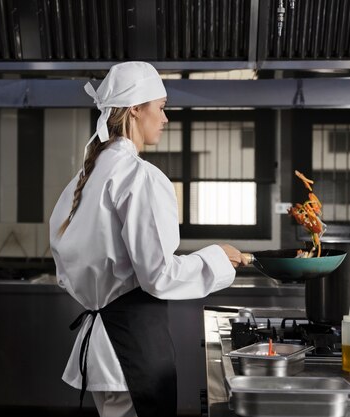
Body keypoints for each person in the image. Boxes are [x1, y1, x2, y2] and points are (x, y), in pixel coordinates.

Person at [49, 61, 251, 417]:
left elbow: (67, 263)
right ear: (134, 109)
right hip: (131, 347)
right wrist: (217, 257)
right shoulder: (139, 177)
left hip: (106, 344)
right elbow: (158, 275)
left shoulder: (88, 174)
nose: (165, 118)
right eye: (160, 107)